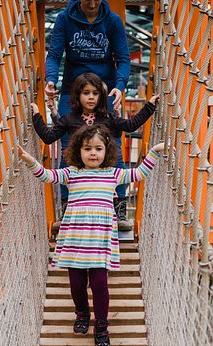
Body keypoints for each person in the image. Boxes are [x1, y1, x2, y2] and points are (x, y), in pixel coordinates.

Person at [18, 123, 165, 346]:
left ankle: (102, 329)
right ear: (79, 151)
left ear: (107, 152)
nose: (93, 153)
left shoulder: (113, 174)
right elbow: (47, 176)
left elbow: (139, 173)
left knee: (99, 285)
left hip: (98, 241)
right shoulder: (72, 173)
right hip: (76, 239)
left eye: (98, 148)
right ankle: (82, 313)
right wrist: (29, 160)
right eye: (88, 149)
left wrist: (154, 152)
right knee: (76, 285)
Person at [43, 0, 132, 227]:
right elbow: (54, 55)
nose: (92, 3)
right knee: (67, 146)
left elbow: (123, 59)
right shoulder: (65, 19)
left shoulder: (112, 21)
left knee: (113, 145)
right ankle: (68, 207)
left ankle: (118, 208)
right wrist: (51, 80)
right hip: (73, 90)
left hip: (105, 90)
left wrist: (119, 87)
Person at [34, 73, 157, 230]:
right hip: (79, 169)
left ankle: (117, 214)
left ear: (101, 96)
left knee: (113, 180)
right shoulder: (70, 119)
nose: (91, 97)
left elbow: (130, 125)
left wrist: (149, 106)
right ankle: (68, 215)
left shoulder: (107, 118)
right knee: (68, 180)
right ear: (78, 96)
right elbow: (49, 137)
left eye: (95, 93)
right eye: (86, 93)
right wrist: (37, 115)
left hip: (101, 168)